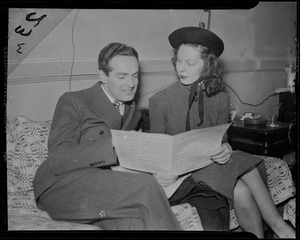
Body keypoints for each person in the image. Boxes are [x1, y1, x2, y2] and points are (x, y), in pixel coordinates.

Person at [149, 26, 295, 238]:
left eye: (190, 62)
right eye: (179, 60)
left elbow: (223, 140)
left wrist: (225, 148)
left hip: (211, 165)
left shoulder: (220, 99)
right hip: (182, 173)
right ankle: (279, 227)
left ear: (207, 65)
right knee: (247, 173)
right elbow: (156, 152)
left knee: (242, 191)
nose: (181, 67)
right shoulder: (160, 101)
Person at [33, 42, 182, 230]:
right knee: (146, 186)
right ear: (103, 76)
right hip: (61, 185)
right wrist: (115, 142)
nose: (131, 84)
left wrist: (152, 170)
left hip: (99, 188)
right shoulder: (73, 101)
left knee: (132, 223)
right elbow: (58, 158)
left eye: (135, 76)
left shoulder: (130, 108)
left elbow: (123, 163)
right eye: (122, 76)